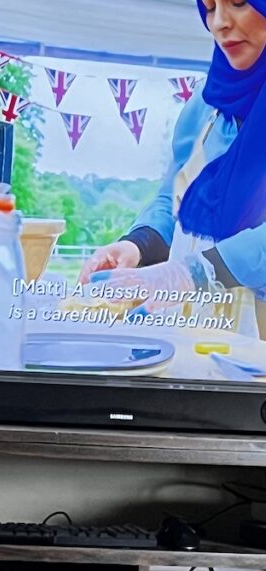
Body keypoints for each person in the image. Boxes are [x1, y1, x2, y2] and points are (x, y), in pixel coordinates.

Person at [78, 0, 266, 332]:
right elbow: (175, 197)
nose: (219, 22)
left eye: (238, 2)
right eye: (209, 7)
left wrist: (195, 273)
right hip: (195, 330)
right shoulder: (205, 106)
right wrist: (137, 245)